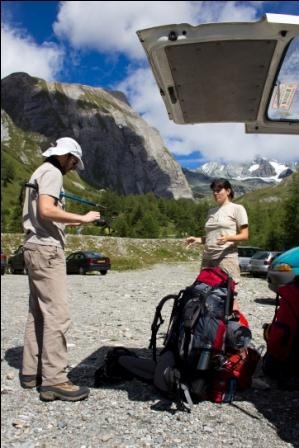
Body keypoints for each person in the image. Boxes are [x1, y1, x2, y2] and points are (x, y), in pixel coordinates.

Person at [20, 137, 101, 402]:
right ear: (65, 156)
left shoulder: (39, 171)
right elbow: (46, 209)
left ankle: (31, 373)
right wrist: (82, 218)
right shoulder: (53, 172)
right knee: (57, 314)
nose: (74, 167)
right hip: (47, 248)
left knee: (38, 312)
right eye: (74, 162)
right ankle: (55, 379)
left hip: (32, 246)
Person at [185, 178, 249, 299]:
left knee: (229, 297)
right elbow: (211, 237)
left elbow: (245, 235)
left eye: (219, 190)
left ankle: (233, 317)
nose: (215, 193)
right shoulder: (211, 211)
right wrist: (199, 240)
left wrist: (229, 238)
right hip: (208, 259)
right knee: (204, 295)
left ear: (228, 191)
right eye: (214, 191)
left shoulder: (237, 208)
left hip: (226, 258)